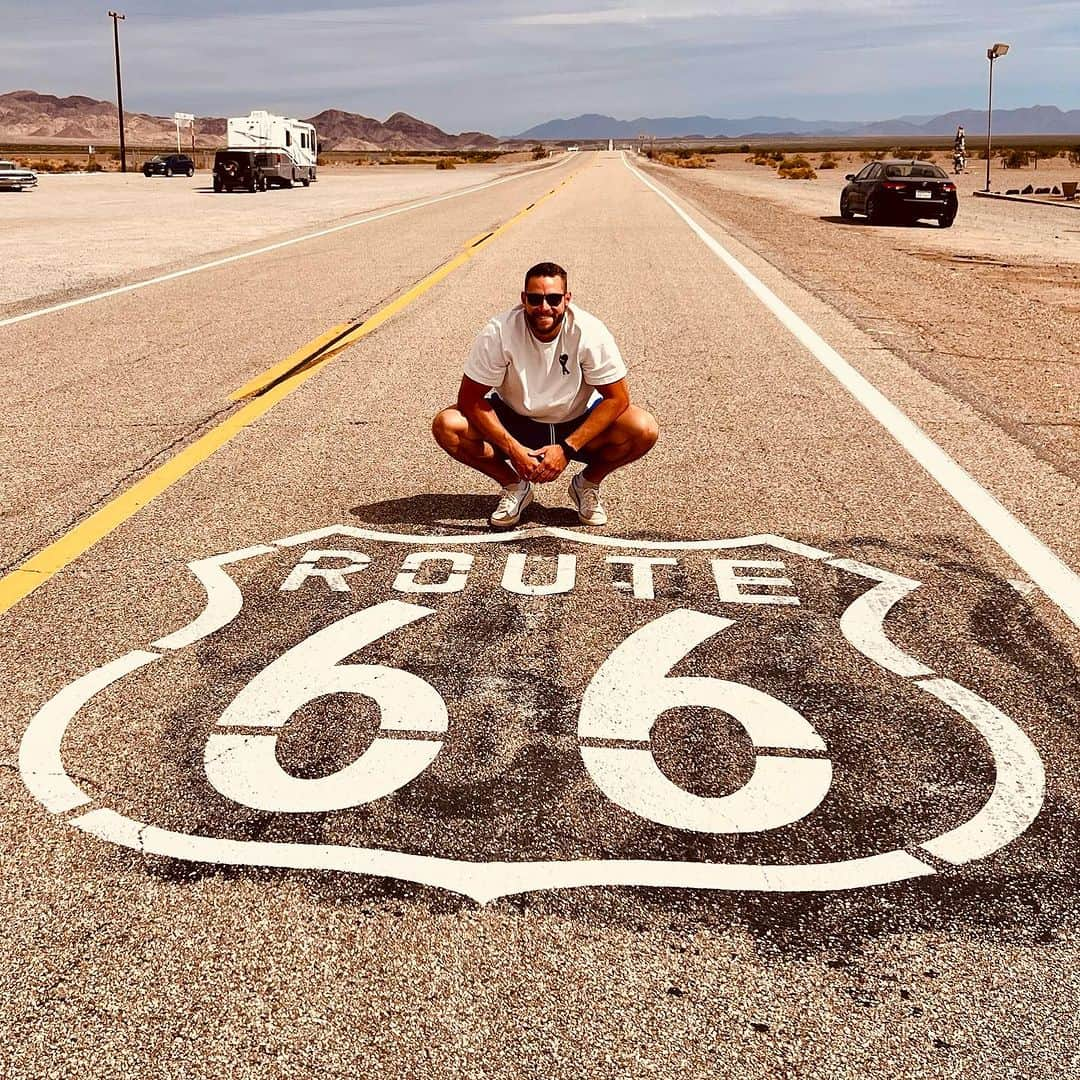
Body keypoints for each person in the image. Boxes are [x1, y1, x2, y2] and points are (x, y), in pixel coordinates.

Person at [432, 261, 658, 529]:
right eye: (536, 299)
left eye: (553, 298)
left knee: (643, 428)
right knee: (447, 425)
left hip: (574, 421)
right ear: (523, 299)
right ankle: (515, 486)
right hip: (516, 420)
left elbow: (618, 398)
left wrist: (566, 448)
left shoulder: (589, 331)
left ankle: (587, 484)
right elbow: (469, 399)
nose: (544, 308)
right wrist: (513, 449)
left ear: (567, 299)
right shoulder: (499, 332)